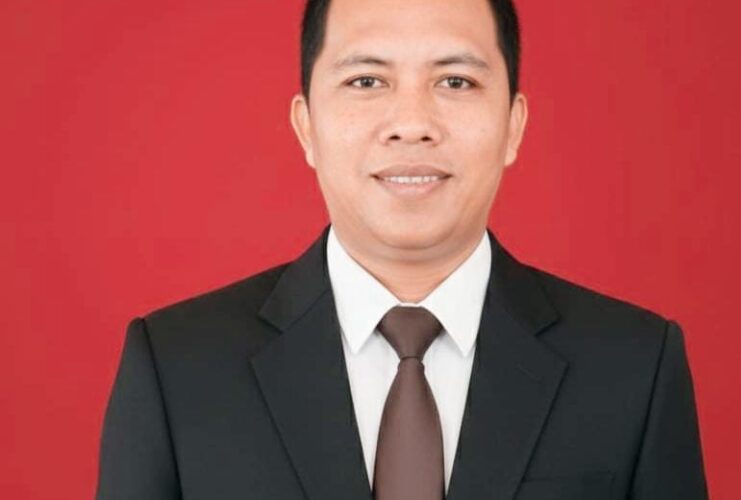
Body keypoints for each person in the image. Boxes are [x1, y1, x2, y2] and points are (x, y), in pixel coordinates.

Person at [95, 0, 708, 498]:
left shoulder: (635, 366)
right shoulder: (176, 367)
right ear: (306, 126)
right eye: (366, 80)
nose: (411, 123)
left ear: (513, 125)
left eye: (455, 81)